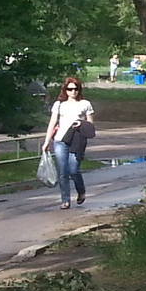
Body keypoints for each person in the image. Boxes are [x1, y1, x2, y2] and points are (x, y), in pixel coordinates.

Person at [43, 76, 96, 209]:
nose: (73, 92)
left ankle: (81, 191)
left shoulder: (85, 104)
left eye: (76, 89)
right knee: (63, 172)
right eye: (70, 89)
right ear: (65, 90)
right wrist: (46, 141)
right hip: (60, 140)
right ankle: (65, 200)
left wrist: (81, 124)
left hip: (77, 141)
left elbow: (91, 124)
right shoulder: (59, 105)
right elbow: (52, 123)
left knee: (73, 170)